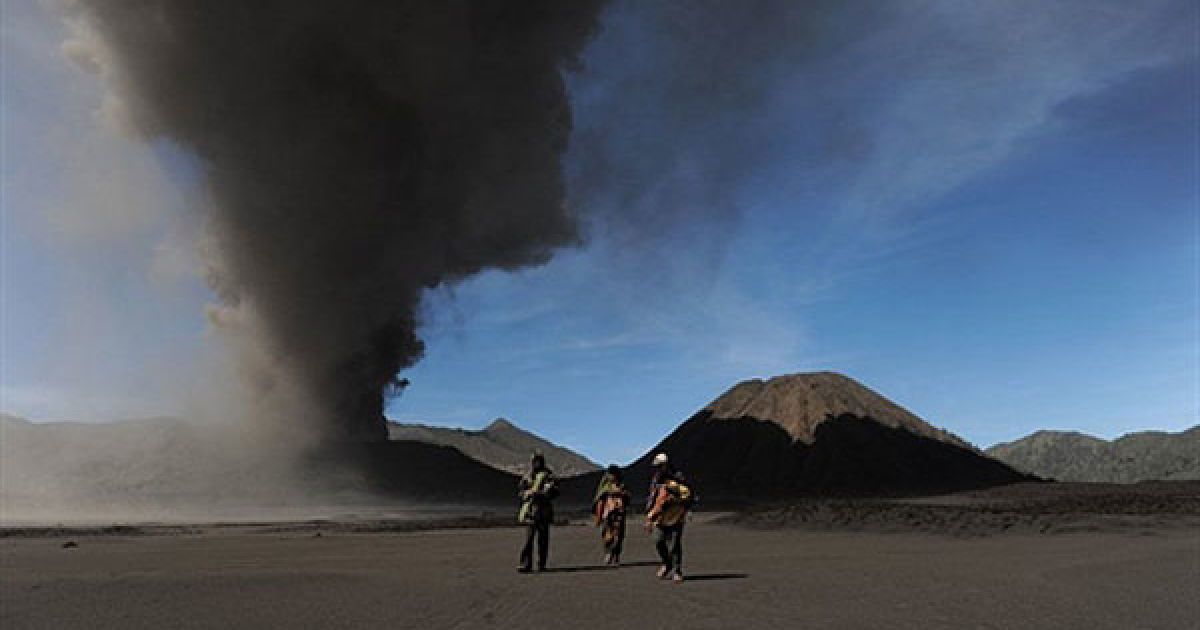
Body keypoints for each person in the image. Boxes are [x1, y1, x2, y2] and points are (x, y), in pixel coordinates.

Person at [645, 452, 693, 583]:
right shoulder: (656, 481)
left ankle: (677, 571)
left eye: (660, 466)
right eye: (656, 466)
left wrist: (674, 499)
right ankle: (667, 563)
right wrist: (650, 515)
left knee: (674, 545)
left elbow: (687, 494)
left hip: (676, 517)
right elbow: (652, 499)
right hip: (660, 518)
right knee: (658, 541)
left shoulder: (678, 478)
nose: (658, 469)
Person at [516, 453, 558, 573]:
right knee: (528, 540)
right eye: (533, 461)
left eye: (537, 461)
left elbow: (554, 492)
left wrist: (538, 493)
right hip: (530, 513)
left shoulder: (549, 475)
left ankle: (541, 564)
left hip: (543, 512)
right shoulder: (528, 476)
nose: (534, 463)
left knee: (543, 540)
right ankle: (525, 564)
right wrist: (525, 493)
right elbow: (520, 491)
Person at [592, 464, 630, 566]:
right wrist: (598, 515)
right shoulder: (605, 486)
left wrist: (622, 495)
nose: (611, 477)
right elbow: (599, 499)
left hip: (619, 514)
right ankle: (608, 553)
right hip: (607, 513)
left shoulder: (622, 486)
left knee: (618, 536)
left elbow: (627, 498)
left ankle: (616, 555)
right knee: (607, 535)